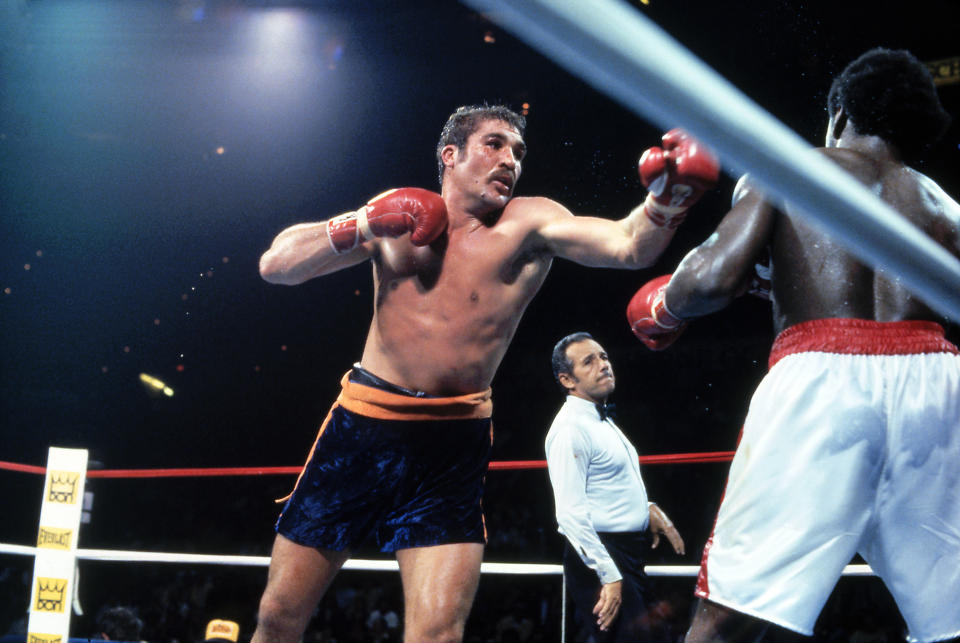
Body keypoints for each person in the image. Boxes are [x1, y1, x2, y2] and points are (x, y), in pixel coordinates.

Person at [254, 103, 719, 643]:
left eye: (518, 152)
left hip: (451, 446)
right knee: (278, 618)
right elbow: (276, 265)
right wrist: (361, 222)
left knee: (438, 635)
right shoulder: (395, 217)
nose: (509, 160)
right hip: (362, 428)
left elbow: (628, 244)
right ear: (450, 156)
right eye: (494, 144)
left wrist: (667, 199)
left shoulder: (530, 223)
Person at [627, 48, 960, 643]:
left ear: (838, 114)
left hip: (822, 380)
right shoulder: (942, 204)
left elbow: (712, 278)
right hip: (939, 385)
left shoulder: (794, 170)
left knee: (727, 616)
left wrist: (663, 307)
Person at [545, 332, 685, 642]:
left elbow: (610, 483)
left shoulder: (600, 420)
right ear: (567, 380)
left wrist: (646, 509)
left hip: (626, 554)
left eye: (604, 356)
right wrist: (608, 575)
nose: (603, 365)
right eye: (589, 361)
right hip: (601, 557)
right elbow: (569, 514)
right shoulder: (571, 429)